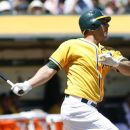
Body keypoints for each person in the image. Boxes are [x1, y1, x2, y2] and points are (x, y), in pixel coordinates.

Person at [11, 9, 130, 130]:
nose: (107, 25)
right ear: (92, 25)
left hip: (87, 108)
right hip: (78, 107)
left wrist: (115, 63)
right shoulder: (72, 45)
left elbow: (128, 69)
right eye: (103, 22)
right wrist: (27, 84)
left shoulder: (109, 52)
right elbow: (49, 68)